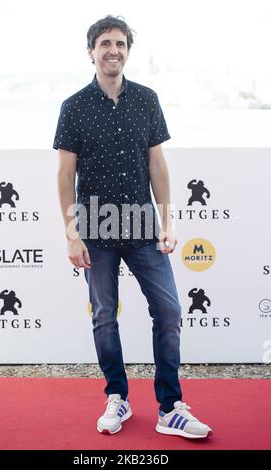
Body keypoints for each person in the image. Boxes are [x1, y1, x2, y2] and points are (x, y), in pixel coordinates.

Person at [53, 15, 212, 439]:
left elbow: (157, 163)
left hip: (143, 227)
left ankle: (169, 407)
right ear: (91, 51)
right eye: (105, 43)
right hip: (95, 230)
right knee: (105, 317)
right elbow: (65, 175)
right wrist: (72, 233)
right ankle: (117, 398)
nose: (113, 50)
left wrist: (168, 221)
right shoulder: (74, 107)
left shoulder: (147, 99)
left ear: (127, 51)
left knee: (170, 310)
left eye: (120, 44)